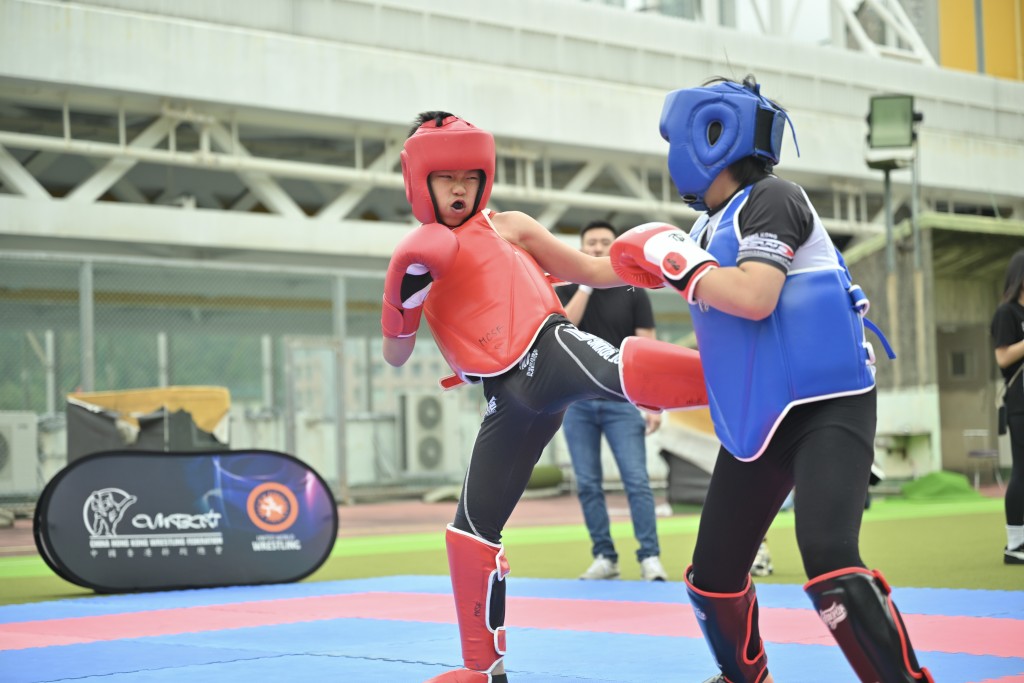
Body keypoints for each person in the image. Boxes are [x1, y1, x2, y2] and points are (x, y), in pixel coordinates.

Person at [609, 77, 934, 683]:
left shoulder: (773, 198)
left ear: (708, 136)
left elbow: (757, 297)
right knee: (712, 576)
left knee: (829, 552)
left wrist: (677, 263)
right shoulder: (708, 230)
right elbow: (599, 269)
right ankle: (743, 679)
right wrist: (526, 243)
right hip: (761, 418)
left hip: (825, 408)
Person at [381, 111, 709, 683]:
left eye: (467, 176)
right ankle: (485, 669)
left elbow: (588, 270)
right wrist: (402, 305)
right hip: (505, 398)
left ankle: (728, 380)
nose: (459, 188)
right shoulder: (419, 259)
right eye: (445, 178)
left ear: (483, 176)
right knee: (470, 529)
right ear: (420, 181)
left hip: (548, 349)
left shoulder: (509, 226)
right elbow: (396, 356)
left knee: (620, 373)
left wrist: (655, 268)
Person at [556, 220, 668, 582]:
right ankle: (605, 556)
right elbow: (560, 330)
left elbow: (647, 347)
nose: (598, 248)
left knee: (636, 480)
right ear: (581, 248)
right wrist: (585, 287)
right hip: (578, 402)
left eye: (606, 242)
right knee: (587, 482)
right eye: (591, 243)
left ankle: (649, 557)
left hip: (622, 400)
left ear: (616, 247)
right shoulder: (567, 290)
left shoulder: (634, 289)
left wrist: (652, 402)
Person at [991, 248, 1024, 565]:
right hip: (1020, 403)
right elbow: (1002, 357)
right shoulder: (1007, 314)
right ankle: (1015, 545)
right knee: (1022, 471)